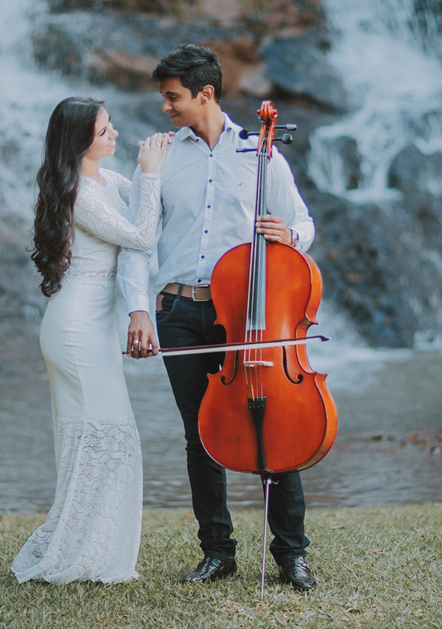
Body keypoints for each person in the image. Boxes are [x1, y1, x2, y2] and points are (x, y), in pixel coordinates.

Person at [119, 44, 319, 591]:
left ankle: (292, 553)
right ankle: (217, 551)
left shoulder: (261, 152)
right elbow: (137, 242)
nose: (165, 107)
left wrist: (290, 236)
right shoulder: (160, 157)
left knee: (270, 425)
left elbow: (302, 223)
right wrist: (138, 309)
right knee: (200, 434)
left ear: (205, 93)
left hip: (248, 312)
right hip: (178, 310)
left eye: (173, 97)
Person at [11, 96, 170, 584]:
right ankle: (79, 553)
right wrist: (152, 173)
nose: (114, 134)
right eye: (104, 131)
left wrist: (162, 160)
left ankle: (90, 548)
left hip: (94, 327)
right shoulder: (80, 194)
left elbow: (146, 202)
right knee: (102, 437)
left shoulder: (108, 181)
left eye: (111, 125)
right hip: (75, 328)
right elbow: (140, 235)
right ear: (80, 141)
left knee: (105, 439)